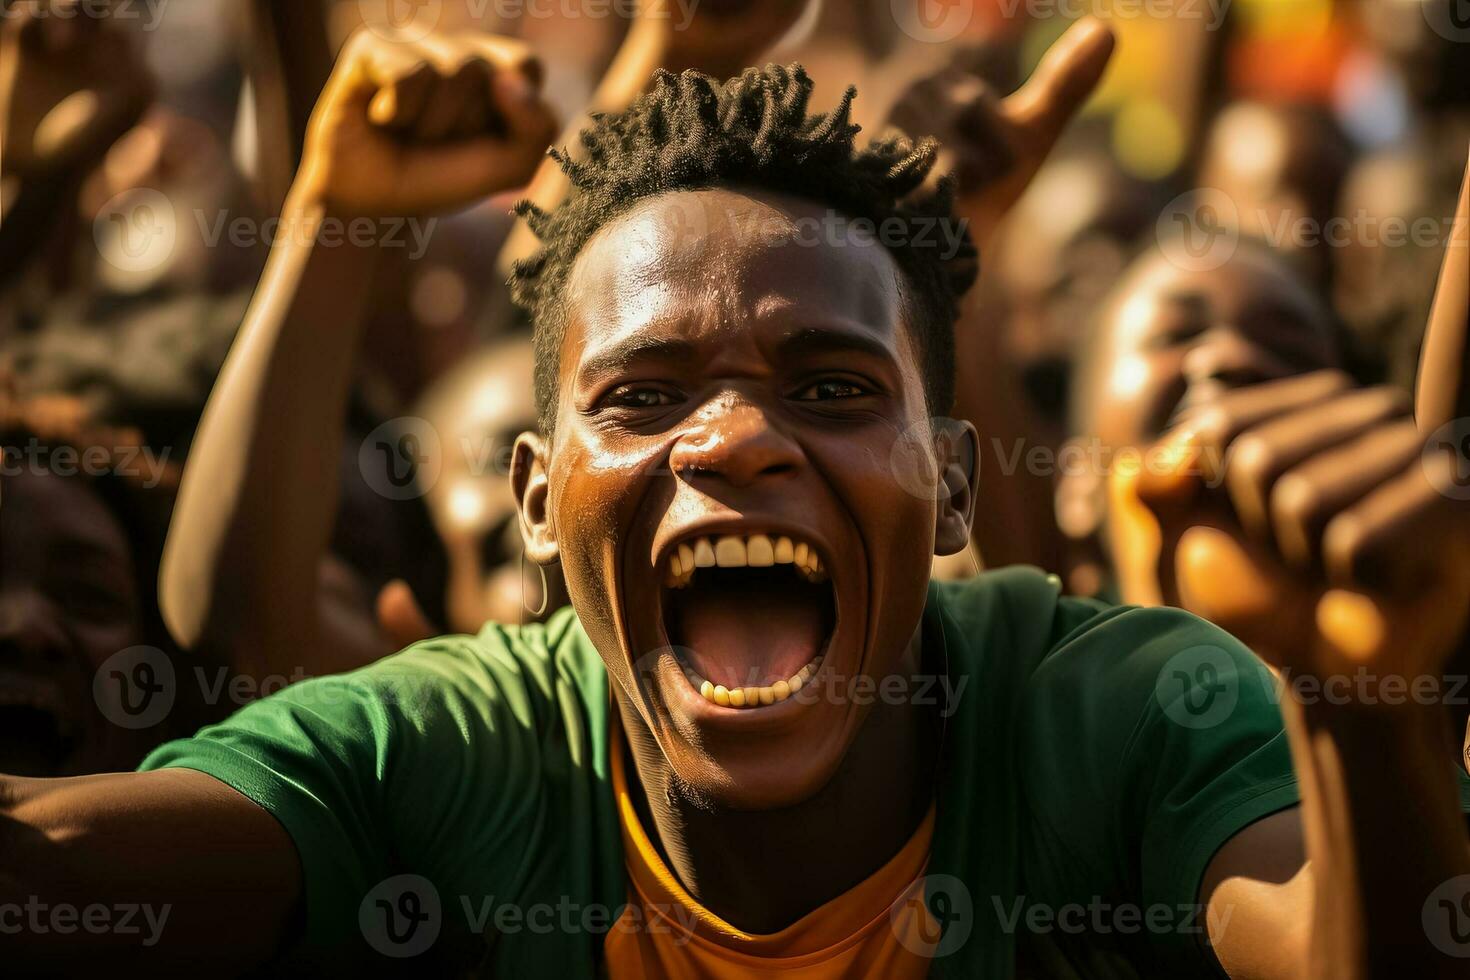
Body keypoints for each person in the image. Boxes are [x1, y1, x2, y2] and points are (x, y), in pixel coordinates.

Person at [7, 22, 1470, 980]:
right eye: (641, 396)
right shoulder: (443, 745)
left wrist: (1356, 708)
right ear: (531, 497)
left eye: (831, 388)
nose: (732, 440)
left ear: (956, 481)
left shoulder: (1135, 709)